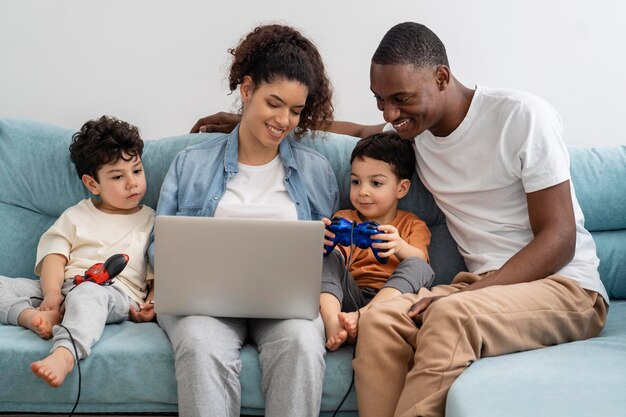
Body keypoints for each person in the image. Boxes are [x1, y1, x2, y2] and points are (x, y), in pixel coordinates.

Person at [190, 21, 609, 417]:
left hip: (564, 287)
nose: (390, 114)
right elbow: (355, 133)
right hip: (482, 286)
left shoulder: (521, 117)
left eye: (400, 99)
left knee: (449, 315)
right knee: (380, 319)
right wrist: (249, 121)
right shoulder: (417, 132)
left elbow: (559, 238)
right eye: (380, 99)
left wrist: (458, 297)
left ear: (441, 77)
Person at [149, 24, 338, 417]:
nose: (284, 120)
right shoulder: (191, 163)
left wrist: (325, 246)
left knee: (303, 343)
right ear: (247, 90)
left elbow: (328, 251)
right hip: (204, 307)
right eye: (274, 103)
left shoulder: (316, 171)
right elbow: (159, 244)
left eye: (296, 110)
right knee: (200, 343)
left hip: (286, 308)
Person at [0, 115, 155, 388]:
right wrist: (50, 296)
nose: (132, 183)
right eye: (118, 176)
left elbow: (161, 270)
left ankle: (65, 354)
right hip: (64, 288)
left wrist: (153, 302)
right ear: (93, 184)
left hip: (113, 293)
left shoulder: (152, 219)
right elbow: (54, 256)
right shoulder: (76, 215)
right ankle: (30, 316)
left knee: (88, 294)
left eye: (137, 171)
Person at [320, 132, 434, 351]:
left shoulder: (413, 224)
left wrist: (399, 246)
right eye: (355, 181)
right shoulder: (344, 217)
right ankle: (333, 321)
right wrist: (327, 239)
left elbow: (421, 261)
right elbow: (336, 260)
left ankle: (362, 317)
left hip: (392, 299)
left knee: (419, 265)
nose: (363, 192)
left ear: (401, 188)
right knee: (325, 255)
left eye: (376, 183)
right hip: (347, 295)